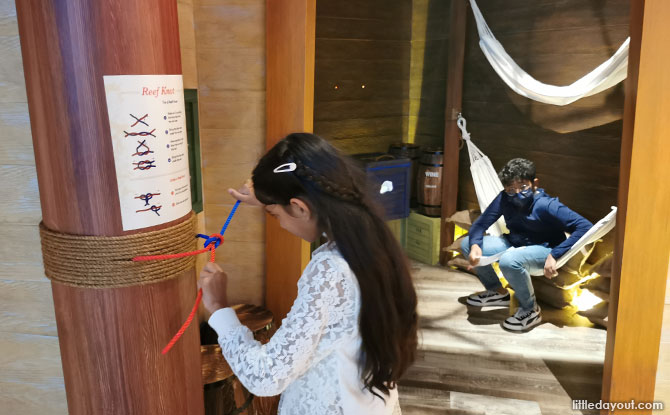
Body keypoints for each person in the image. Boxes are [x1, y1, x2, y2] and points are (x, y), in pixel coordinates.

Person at [198, 133, 418, 414]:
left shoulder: (330, 270)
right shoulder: (369, 236)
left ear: (300, 206)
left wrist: (218, 307)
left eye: (274, 215)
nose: (279, 223)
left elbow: (267, 376)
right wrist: (269, 197)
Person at [460, 158, 593, 332]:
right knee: (466, 243)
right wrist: (476, 246)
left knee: (508, 260)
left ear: (534, 183)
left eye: (523, 187)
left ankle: (530, 309)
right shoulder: (504, 198)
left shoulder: (546, 205)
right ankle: (497, 292)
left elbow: (585, 226)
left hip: (545, 250)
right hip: (515, 243)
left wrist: (555, 254)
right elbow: (479, 225)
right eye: (510, 190)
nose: (517, 194)